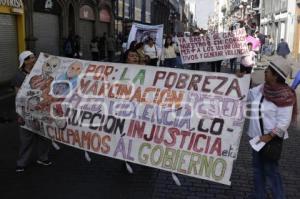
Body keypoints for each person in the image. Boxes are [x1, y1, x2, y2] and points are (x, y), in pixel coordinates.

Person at [246, 55, 297, 199]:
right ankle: (259, 195)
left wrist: (268, 137)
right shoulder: (263, 88)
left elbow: (283, 123)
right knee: (257, 169)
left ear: (275, 76)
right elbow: (248, 96)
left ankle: (278, 196)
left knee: (271, 171)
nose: (265, 71)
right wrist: (241, 80)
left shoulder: (285, 95)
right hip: (256, 139)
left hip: (270, 140)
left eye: (268, 70)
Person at [15, 51, 52, 173]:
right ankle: (21, 163)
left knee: (43, 136)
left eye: (34, 57)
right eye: (31, 58)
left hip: (41, 110)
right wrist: (20, 114)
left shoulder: (40, 73)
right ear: (25, 61)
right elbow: (18, 96)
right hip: (25, 112)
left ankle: (43, 158)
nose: (34, 59)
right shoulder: (19, 76)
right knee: (26, 139)